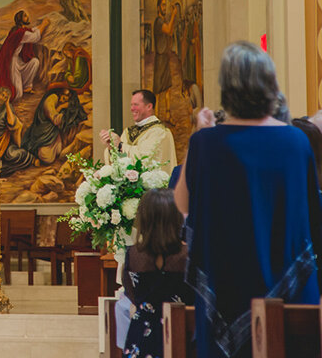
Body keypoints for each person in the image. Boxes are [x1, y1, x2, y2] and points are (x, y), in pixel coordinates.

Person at [174, 42, 322, 358]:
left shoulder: (206, 143)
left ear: (227, 88)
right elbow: (311, 215)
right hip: (290, 290)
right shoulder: (297, 141)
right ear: (271, 84)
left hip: (222, 289)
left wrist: (199, 133)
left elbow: (182, 203)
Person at [121, 189, 193, 358]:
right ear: (176, 218)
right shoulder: (189, 255)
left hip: (142, 334)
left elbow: (131, 294)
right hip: (182, 333)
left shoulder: (133, 255)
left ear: (144, 219)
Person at [100, 90, 177, 173]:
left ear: (149, 106)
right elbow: (120, 162)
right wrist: (112, 147)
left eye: (136, 105)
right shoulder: (127, 132)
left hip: (153, 184)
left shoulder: (159, 132)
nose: (132, 109)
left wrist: (120, 145)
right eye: (131, 105)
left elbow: (144, 159)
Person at [0, 10, 50, 102]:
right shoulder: (19, 33)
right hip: (12, 62)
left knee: (35, 62)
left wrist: (40, 26)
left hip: (18, 60)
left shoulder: (20, 30)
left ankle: (27, 86)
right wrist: (44, 24)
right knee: (17, 95)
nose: (28, 17)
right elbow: (35, 37)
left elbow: (32, 30)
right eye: (25, 16)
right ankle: (20, 88)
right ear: (21, 19)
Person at [21, 86, 86, 165]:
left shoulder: (56, 98)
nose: (63, 102)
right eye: (64, 99)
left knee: (58, 150)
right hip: (44, 132)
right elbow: (56, 120)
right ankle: (34, 154)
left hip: (53, 132)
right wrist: (62, 107)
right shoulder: (51, 99)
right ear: (60, 94)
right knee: (47, 158)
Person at [152, 0, 176, 122]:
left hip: (165, 56)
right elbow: (167, 29)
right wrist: (174, 15)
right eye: (162, 5)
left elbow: (170, 32)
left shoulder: (163, 20)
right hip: (160, 57)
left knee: (167, 87)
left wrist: (172, 17)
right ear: (158, 8)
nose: (164, 7)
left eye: (165, 5)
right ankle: (155, 116)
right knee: (158, 88)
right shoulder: (158, 22)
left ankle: (167, 115)